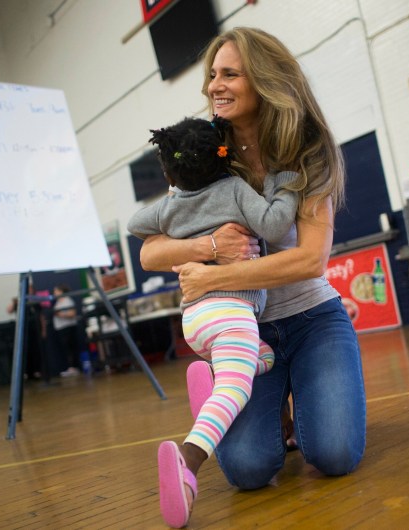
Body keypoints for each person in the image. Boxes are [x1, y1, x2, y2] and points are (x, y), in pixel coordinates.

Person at [138, 27, 367, 527]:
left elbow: (309, 260)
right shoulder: (205, 151)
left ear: (264, 81)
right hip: (248, 330)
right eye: (211, 75)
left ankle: (293, 396)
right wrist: (208, 247)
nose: (213, 87)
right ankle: (248, 391)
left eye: (229, 75)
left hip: (312, 319)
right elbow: (150, 251)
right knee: (247, 469)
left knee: (334, 455)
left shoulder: (307, 151)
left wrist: (212, 278)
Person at [127, 115, 299, 527]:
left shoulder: (171, 205)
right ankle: (189, 460)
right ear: (224, 157)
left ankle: (220, 372)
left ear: (169, 171)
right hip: (231, 312)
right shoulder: (234, 189)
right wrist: (285, 182)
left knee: (265, 358)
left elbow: (135, 226)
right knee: (236, 389)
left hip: (196, 321)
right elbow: (275, 222)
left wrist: (179, 226)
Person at [52, 284, 81, 377]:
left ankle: (73, 367)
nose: (54, 293)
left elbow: (72, 313)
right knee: (65, 349)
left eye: (56, 291)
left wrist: (60, 314)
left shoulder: (67, 300)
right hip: (61, 328)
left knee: (70, 348)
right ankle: (70, 367)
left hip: (68, 328)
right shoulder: (58, 302)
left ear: (61, 291)